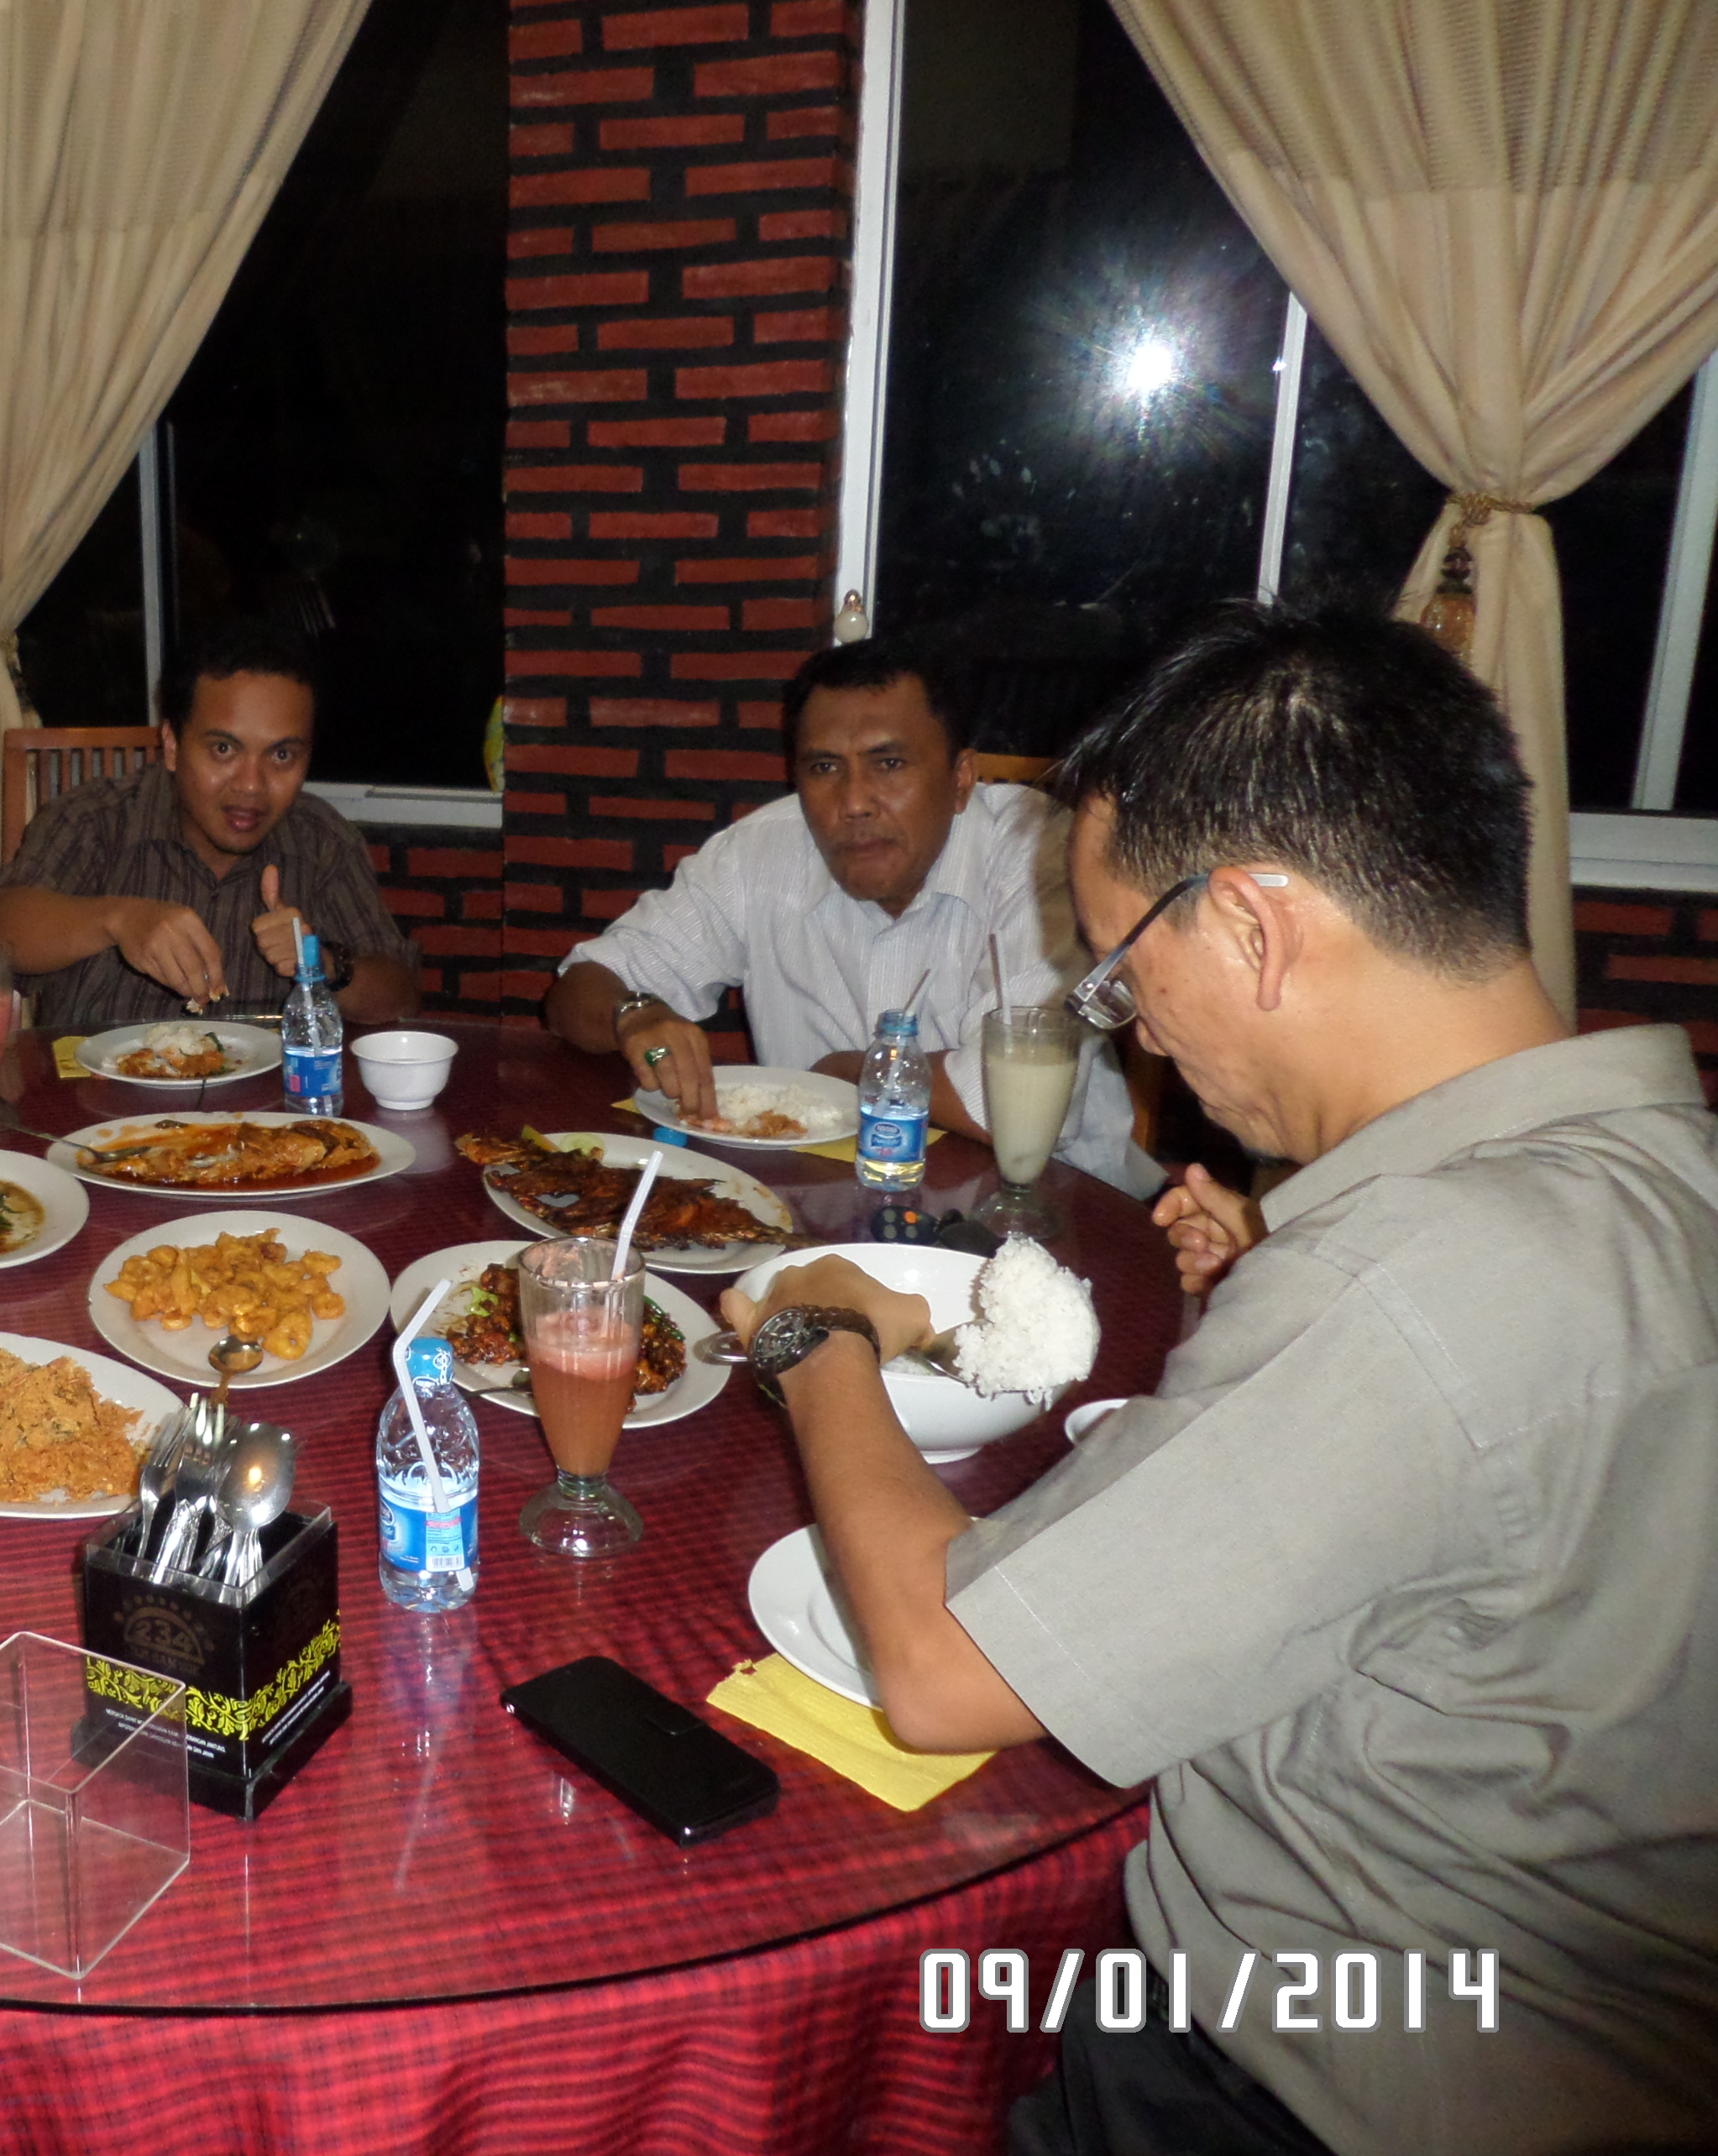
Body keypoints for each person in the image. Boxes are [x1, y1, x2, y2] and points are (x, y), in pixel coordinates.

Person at [721, 611, 1718, 2155]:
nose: (1145, 1039)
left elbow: (934, 1670)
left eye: (1125, 968)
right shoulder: (1661, 1167)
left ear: (1252, 925)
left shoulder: (1407, 1281)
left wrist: (814, 1329)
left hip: (1310, 2074)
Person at [543, 635, 1152, 1193]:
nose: (854, 802)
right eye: (824, 768)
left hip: (1059, 1213)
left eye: (889, 764)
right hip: (817, 1214)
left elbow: (1004, 1101)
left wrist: (842, 1073)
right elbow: (574, 994)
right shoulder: (759, 854)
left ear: (962, 778)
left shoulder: (1040, 853)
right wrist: (634, 1013)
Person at [0, 608, 416, 1027]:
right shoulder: (93, 820)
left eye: (282, 755)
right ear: (173, 745)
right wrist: (117, 920)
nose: (251, 785)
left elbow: (401, 999)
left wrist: (322, 963)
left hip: (269, 1095)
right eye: (223, 750)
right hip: (94, 1091)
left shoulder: (323, 841)